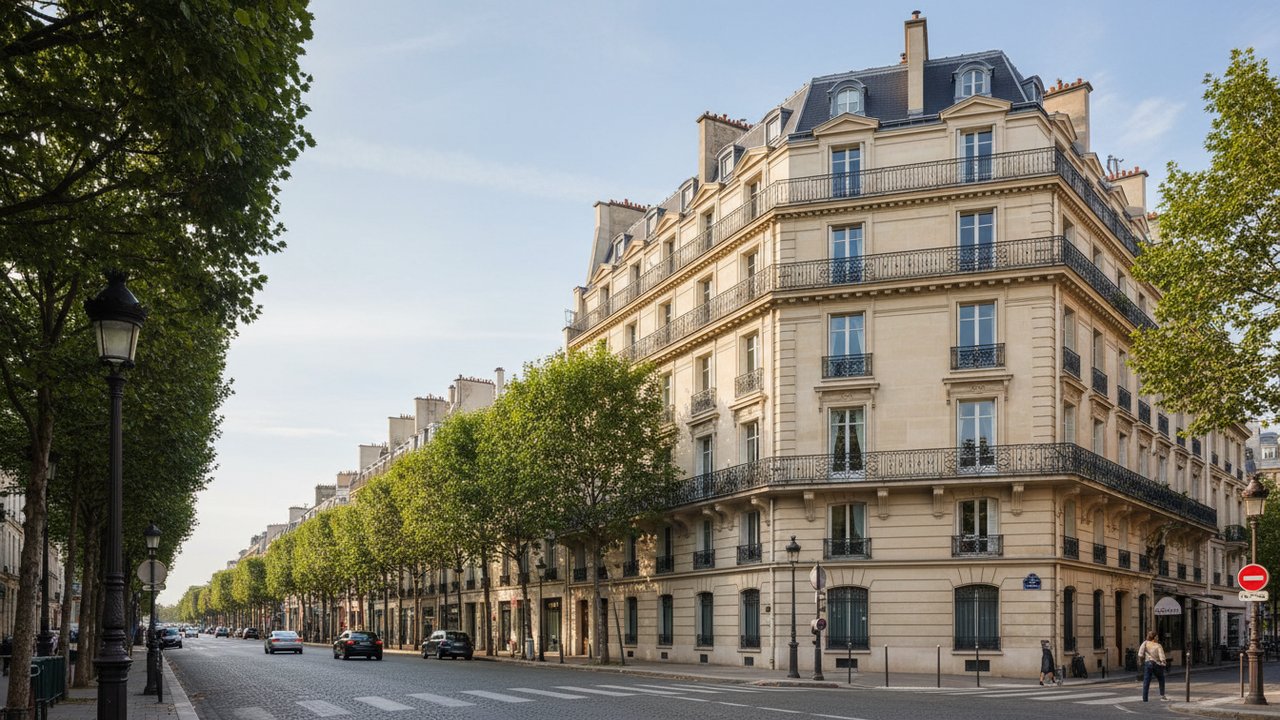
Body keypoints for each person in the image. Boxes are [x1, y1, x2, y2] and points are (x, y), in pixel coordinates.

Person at [1138, 630, 1168, 701]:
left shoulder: (1145, 643)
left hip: (1148, 663)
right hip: (1156, 664)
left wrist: (1141, 661)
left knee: (1146, 681)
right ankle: (1162, 695)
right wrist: (1164, 663)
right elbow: (1162, 656)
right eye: (1157, 637)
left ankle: (1145, 698)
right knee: (1161, 679)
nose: (1157, 638)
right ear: (1154, 637)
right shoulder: (1158, 645)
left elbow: (1140, 654)